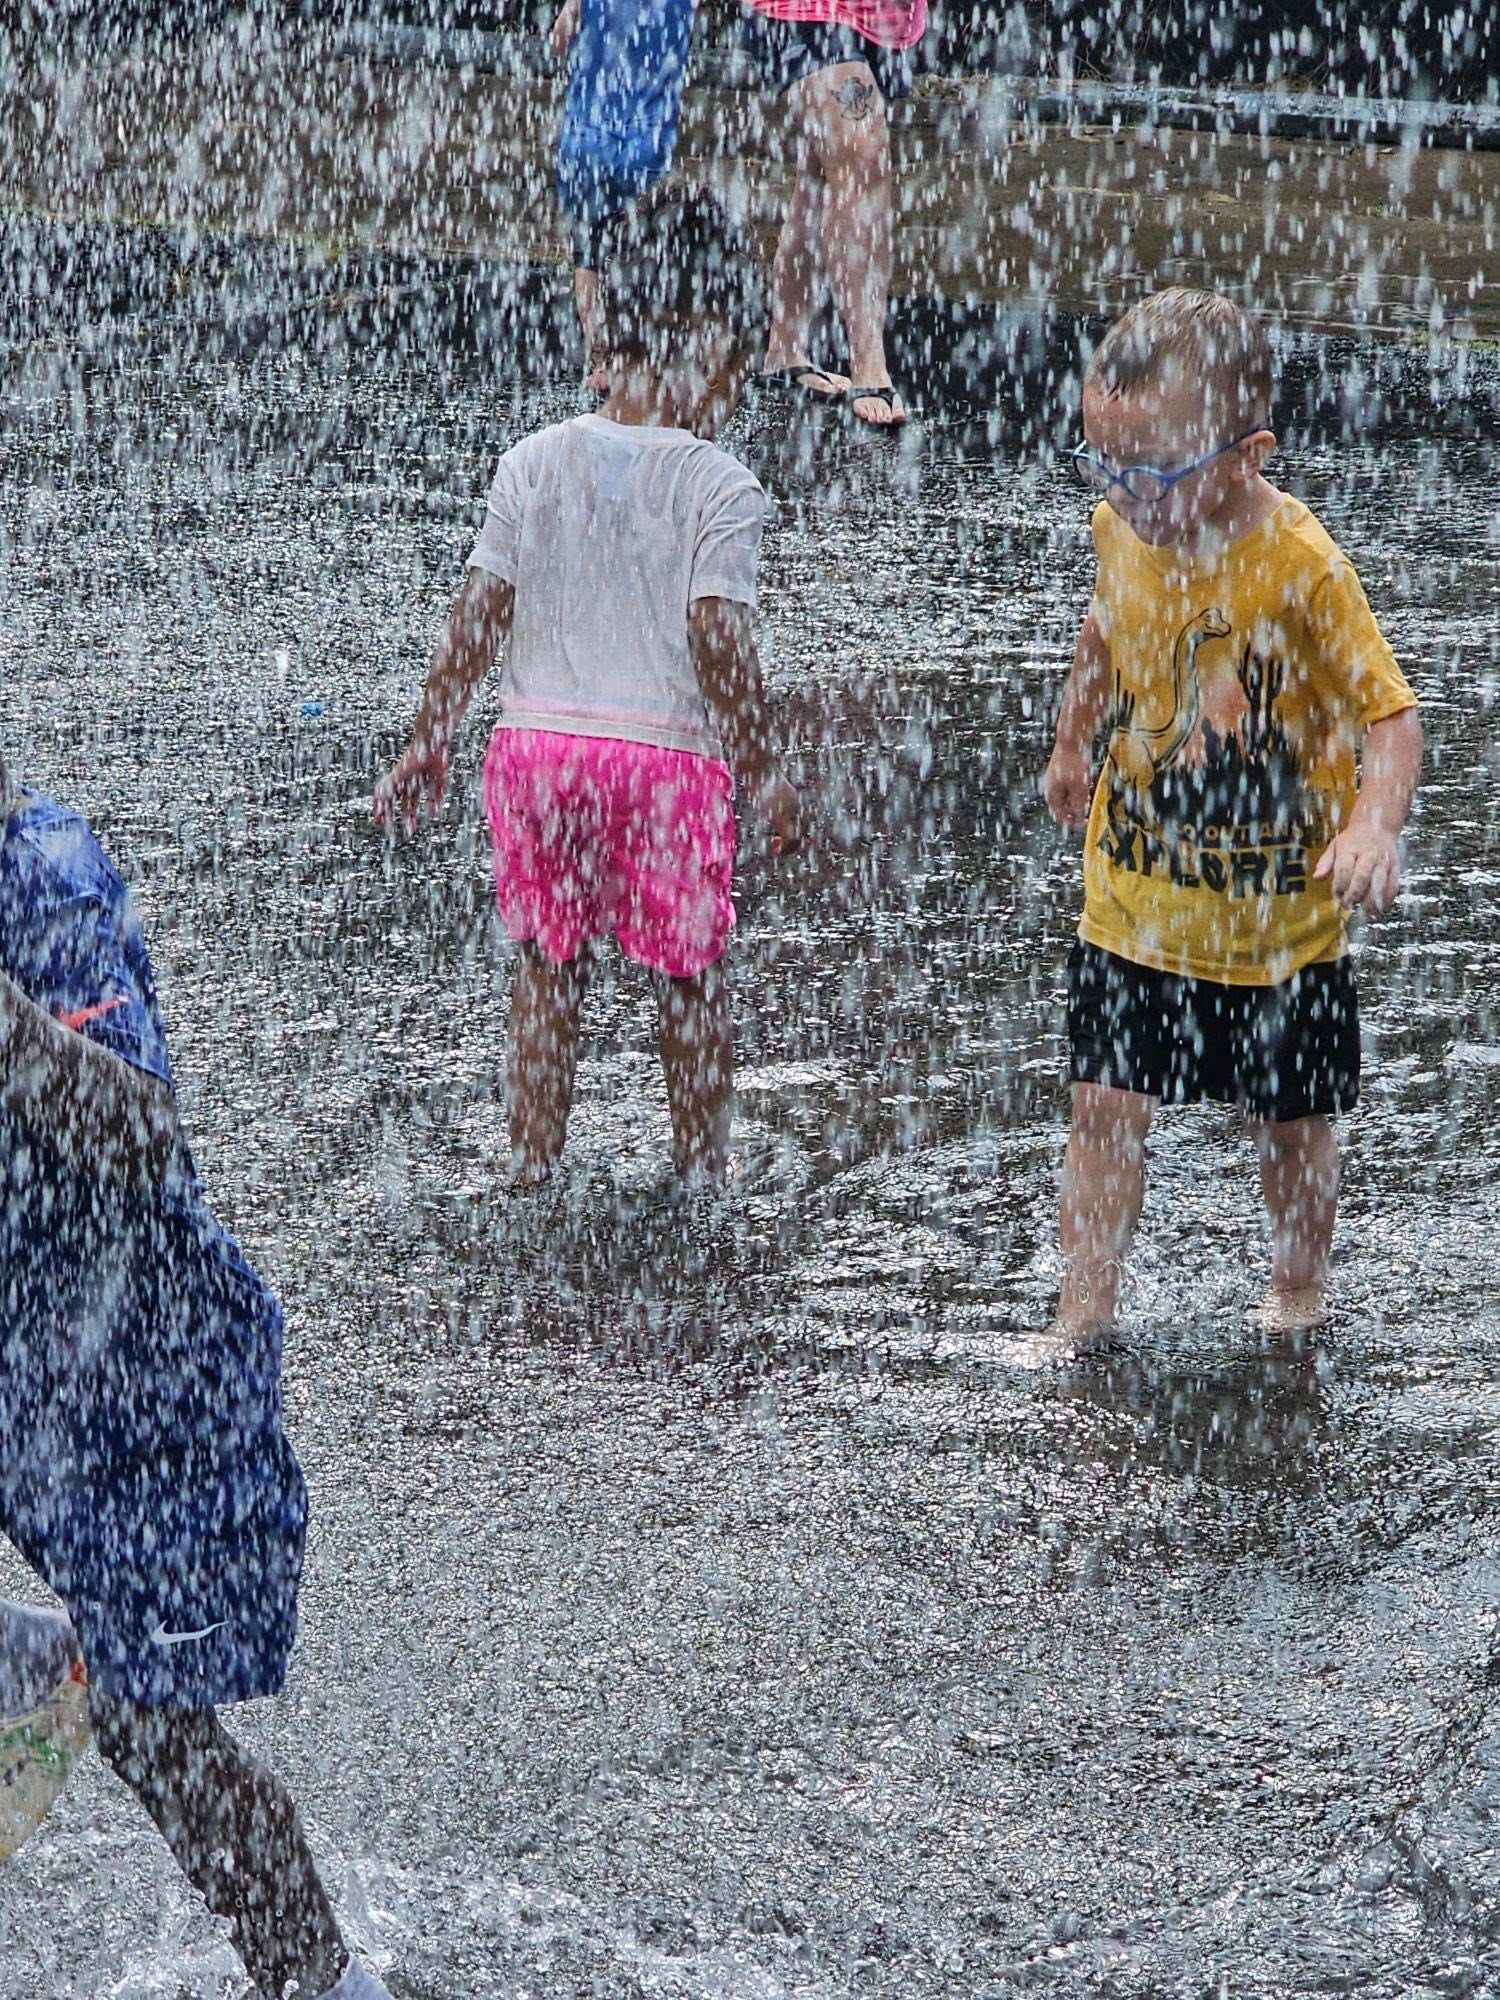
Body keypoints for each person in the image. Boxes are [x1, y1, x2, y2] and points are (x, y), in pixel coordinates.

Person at [0, 759, 391, 2000]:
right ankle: (41, 1655)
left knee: (152, 1724)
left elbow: (137, 1127)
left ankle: (327, 1984)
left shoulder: (45, 880)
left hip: (150, 1383)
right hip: (28, 1366)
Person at [375, 183, 802, 1186]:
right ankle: (702, 1168)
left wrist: (430, 733)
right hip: (665, 764)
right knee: (689, 974)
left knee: (546, 963)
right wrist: (763, 766)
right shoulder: (718, 483)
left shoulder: (532, 461)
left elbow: (480, 612)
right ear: (703, 342)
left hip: (540, 753)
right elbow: (715, 630)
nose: (730, 395)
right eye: (734, 369)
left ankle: (532, 1158)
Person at [1037, 288, 1422, 1358]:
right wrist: (1073, 742)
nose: (1126, 498)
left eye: (1149, 472)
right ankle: (1084, 1312)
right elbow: (1105, 628)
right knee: (1103, 1105)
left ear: (1250, 453)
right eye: (1101, 465)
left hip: (1278, 932)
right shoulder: (1124, 521)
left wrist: (1373, 827)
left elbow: (1391, 715)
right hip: (1133, 904)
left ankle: (1296, 1290)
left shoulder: (1301, 564)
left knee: (1292, 1125)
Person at [738, 0, 928, 427]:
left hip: (880, 16)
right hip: (809, 11)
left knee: (822, 173)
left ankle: (785, 351)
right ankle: (869, 366)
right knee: (863, 156)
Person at [550, 0, 698, 391]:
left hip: (586, 143)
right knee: (643, 253)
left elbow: (559, 42)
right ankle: (639, 354)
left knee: (589, 257)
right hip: (645, 147)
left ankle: (598, 359)